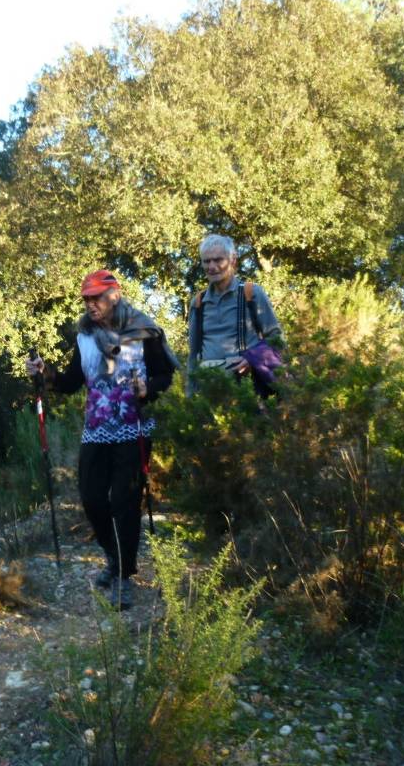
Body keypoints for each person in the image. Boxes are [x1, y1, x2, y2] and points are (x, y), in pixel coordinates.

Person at [25, 269, 177, 610]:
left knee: (125, 502)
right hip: (96, 430)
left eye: (96, 297)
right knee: (92, 499)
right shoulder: (84, 337)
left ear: (115, 295)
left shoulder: (144, 331)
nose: (91, 304)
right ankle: (114, 556)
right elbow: (70, 382)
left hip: (133, 429)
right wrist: (45, 373)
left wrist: (148, 388)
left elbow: (167, 374)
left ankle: (123, 576)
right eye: (87, 298)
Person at [186, 234, 284, 396]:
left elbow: (276, 337)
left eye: (218, 260)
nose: (211, 266)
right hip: (210, 388)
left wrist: (253, 359)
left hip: (248, 387)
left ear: (233, 260)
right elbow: (193, 354)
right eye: (206, 261)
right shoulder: (198, 302)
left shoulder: (251, 293)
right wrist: (190, 395)